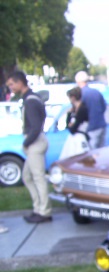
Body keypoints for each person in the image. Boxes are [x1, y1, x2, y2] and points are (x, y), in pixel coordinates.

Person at [6, 70, 52, 223]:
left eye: (12, 84)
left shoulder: (31, 101)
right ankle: (38, 207)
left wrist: (26, 143)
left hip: (35, 142)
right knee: (28, 176)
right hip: (35, 141)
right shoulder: (33, 98)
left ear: (20, 83)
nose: (11, 88)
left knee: (38, 177)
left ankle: (44, 211)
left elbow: (35, 126)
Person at [74, 71, 106, 149]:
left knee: (92, 154)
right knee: (101, 152)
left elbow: (79, 113)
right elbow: (104, 107)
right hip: (102, 126)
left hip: (91, 128)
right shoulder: (96, 92)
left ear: (78, 82)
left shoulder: (81, 94)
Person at [59, 86, 90, 159]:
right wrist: (69, 114)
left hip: (80, 137)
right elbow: (68, 126)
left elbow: (74, 127)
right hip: (73, 137)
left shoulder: (82, 109)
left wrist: (71, 125)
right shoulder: (73, 109)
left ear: (73, 97)